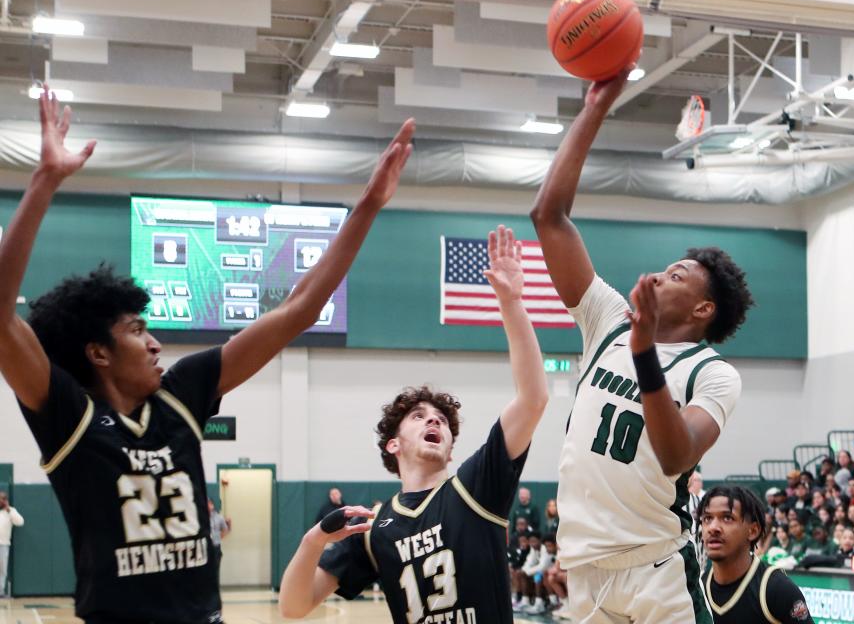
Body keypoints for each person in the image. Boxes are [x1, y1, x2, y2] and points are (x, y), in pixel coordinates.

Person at [0, 86, 415, 623]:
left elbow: (300, 309)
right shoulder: (70, 418)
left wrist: (368, 205)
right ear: (98, 353)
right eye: (136, 331)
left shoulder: (182, 393)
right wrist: (45, 181)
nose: (155, 343)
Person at [531, 66, 753, 623]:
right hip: (584, 571)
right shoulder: (609, 317)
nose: (661, 274)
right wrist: (595, 110)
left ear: (703, 310)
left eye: (678, 276)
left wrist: (644, 352)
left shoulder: (712, 373)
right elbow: (548, 217)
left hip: (658, 572)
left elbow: (678, 455)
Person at [278, 225, 551, 623]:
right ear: (393, 444)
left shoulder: (474, 487)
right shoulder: (375, 530)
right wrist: (313, 540)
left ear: (450, 449)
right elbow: (293, 606)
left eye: (441, 419)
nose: (433, 420)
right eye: (418, 416)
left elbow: (533, 399)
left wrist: (511, 304)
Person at [698, 486, 812, 623]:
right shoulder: (699, 588)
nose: (713, 528)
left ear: (753, 531)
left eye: (727, 518)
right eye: (707, 518)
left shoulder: (777, 588)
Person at [0, 492, 24, 598]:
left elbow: (20, 522)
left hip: (3, 544)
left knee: (2, 569)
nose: (1, 500)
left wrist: (9, 510)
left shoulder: (11, 511)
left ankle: (0, 591)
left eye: (3, 499)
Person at [207, 499, 231, 574]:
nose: (208, 505)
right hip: (204, 548)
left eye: (210, 503)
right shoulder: (200, 518)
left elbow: (226, 530)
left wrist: (218, 537)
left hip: (215, 547)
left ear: (212, 505)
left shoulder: (219, 517)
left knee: (215, 571)